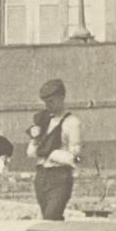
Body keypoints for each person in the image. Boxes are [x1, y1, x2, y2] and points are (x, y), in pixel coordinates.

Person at [30, 78, 82, 222]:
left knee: (50, 218)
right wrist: (35, 140)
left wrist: (52, 154)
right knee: (50, 219)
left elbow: (77, 157)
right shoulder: (44, 121)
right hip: (41, 177)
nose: (48, 106)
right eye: (46, 103)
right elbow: (32, 150)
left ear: (61, 98)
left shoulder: (72, 123)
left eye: (51, 101)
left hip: (59, 178)